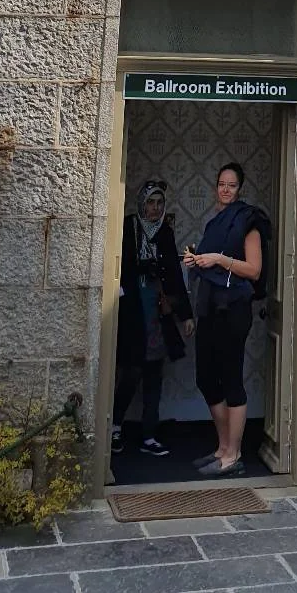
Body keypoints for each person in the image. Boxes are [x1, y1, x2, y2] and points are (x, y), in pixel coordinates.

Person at [184, 162, 264, 477]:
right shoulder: (215, 222)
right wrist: (195, 259)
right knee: (205, 376)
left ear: (240, 188)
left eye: (231, 184)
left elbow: (254, 270)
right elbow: (208, 263)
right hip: (210, 307)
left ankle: (234, 454)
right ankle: (222, 447)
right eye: (221, 184)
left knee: (231, 379)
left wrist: (219, 259)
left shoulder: (248, 223)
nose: (225, 189)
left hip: (234, 309)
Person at [112, 180, 194, 458]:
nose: (155, 208)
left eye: (159, 203)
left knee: (154, 375)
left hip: (157, 310)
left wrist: (186, 315)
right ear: (141, 203)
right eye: (150, 202)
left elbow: (173, 274)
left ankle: (149, 434)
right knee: (130, 372)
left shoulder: (165, 233)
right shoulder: (129, 227)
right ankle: (113, 428)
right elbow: (118, 265)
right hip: (133, 308)